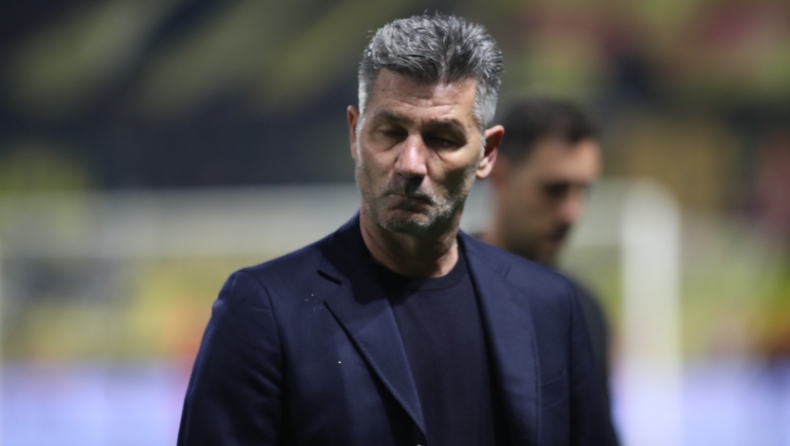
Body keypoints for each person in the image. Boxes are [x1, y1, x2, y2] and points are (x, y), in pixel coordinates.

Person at [178, 15, 617, 446]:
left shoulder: (549, 306)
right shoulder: (266, 310)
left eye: (442, 138)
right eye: (390, 132)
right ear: (355, 134)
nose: (410, 164)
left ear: (487, 153)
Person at [482, 97, 615, 416]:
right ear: (499, 175)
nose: (572, 212)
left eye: (583, 191)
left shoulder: (583, 311)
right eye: (554, 189)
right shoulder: (443, 289)